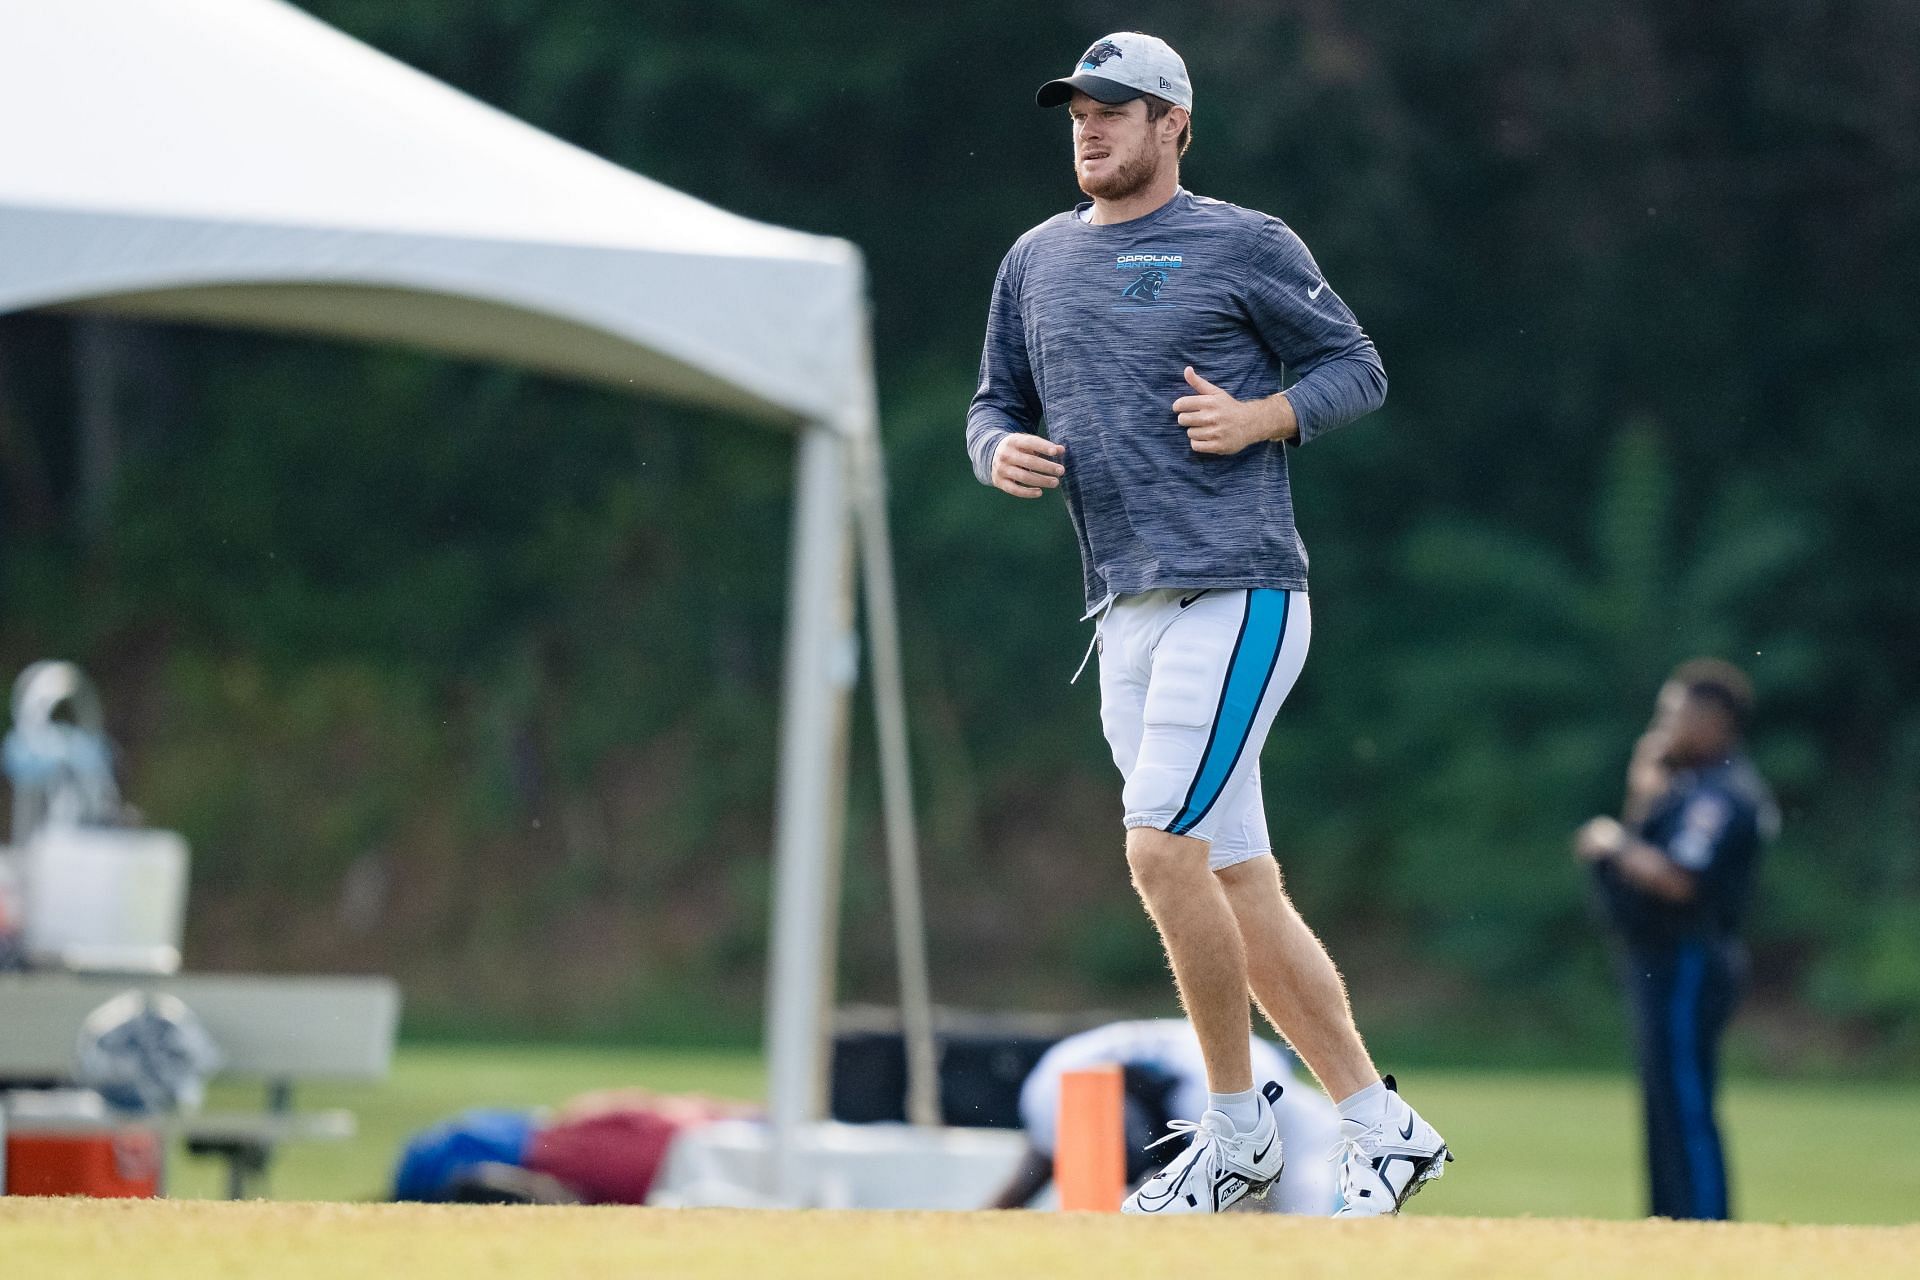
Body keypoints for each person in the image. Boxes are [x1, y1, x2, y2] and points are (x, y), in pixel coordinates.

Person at [966, 31, 1449, 1216]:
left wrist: (1267, 415)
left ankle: (1239, 1132)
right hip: (1119, 608)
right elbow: (993, 400)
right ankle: (1382, 1126)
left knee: (1157, 847)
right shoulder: (1033, 260)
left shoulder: (1244, 242)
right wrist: (995, 452)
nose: (1091, 127)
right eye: (1079, 109)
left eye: (1118, 109)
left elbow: (1358, 366)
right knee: (1236, 878)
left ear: (1176, 124)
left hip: (1237, 590)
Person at [1575, 659, 1778, 1220]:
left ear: (1713, 721)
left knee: (1686, 1102)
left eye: (1674, 715)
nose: (1663, 727)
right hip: (1660, 958)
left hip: (1690, 958)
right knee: (1663, 1100)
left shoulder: (1722, 792)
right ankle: (1669, 1221)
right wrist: (1642, 790)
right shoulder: (1687, 786)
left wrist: (1612, 845)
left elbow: (1679, 878)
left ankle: (1708, 1225)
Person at [988, 1019, 1338, 1214]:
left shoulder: (1223, 1093)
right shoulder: (1055, 1089)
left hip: (1294, 1134)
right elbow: (1039, 1166)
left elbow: (1234, 1198)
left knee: (1302, 1232)